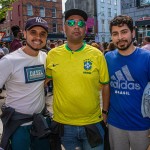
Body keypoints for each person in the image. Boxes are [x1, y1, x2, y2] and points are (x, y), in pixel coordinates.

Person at [45, 8, 110, 150]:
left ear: (85, 28)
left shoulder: (97, 55)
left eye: (81, 23)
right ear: (64, 28)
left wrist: (105, 112)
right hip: (64, 125)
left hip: (93, 123)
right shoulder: (53, 55)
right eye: (71, 22)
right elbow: (43, 82)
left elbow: (105, 85)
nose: (76, 26)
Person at [0, 17, 51, 150]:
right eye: (33, 32)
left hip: (40, 123)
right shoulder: (9, 61)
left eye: (42, 34)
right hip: (18, 126)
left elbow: (44, 82)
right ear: (24, 33)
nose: (38, 37)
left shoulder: (45, 57)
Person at [105, 15, 150, 150]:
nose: (120, 38)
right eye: (115, 34)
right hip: (115, 123)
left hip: (142, 125)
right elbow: (105, 87)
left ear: (132, 32)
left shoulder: (147, 58)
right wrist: (104, 112)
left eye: (124, 32)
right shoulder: (108, 58)